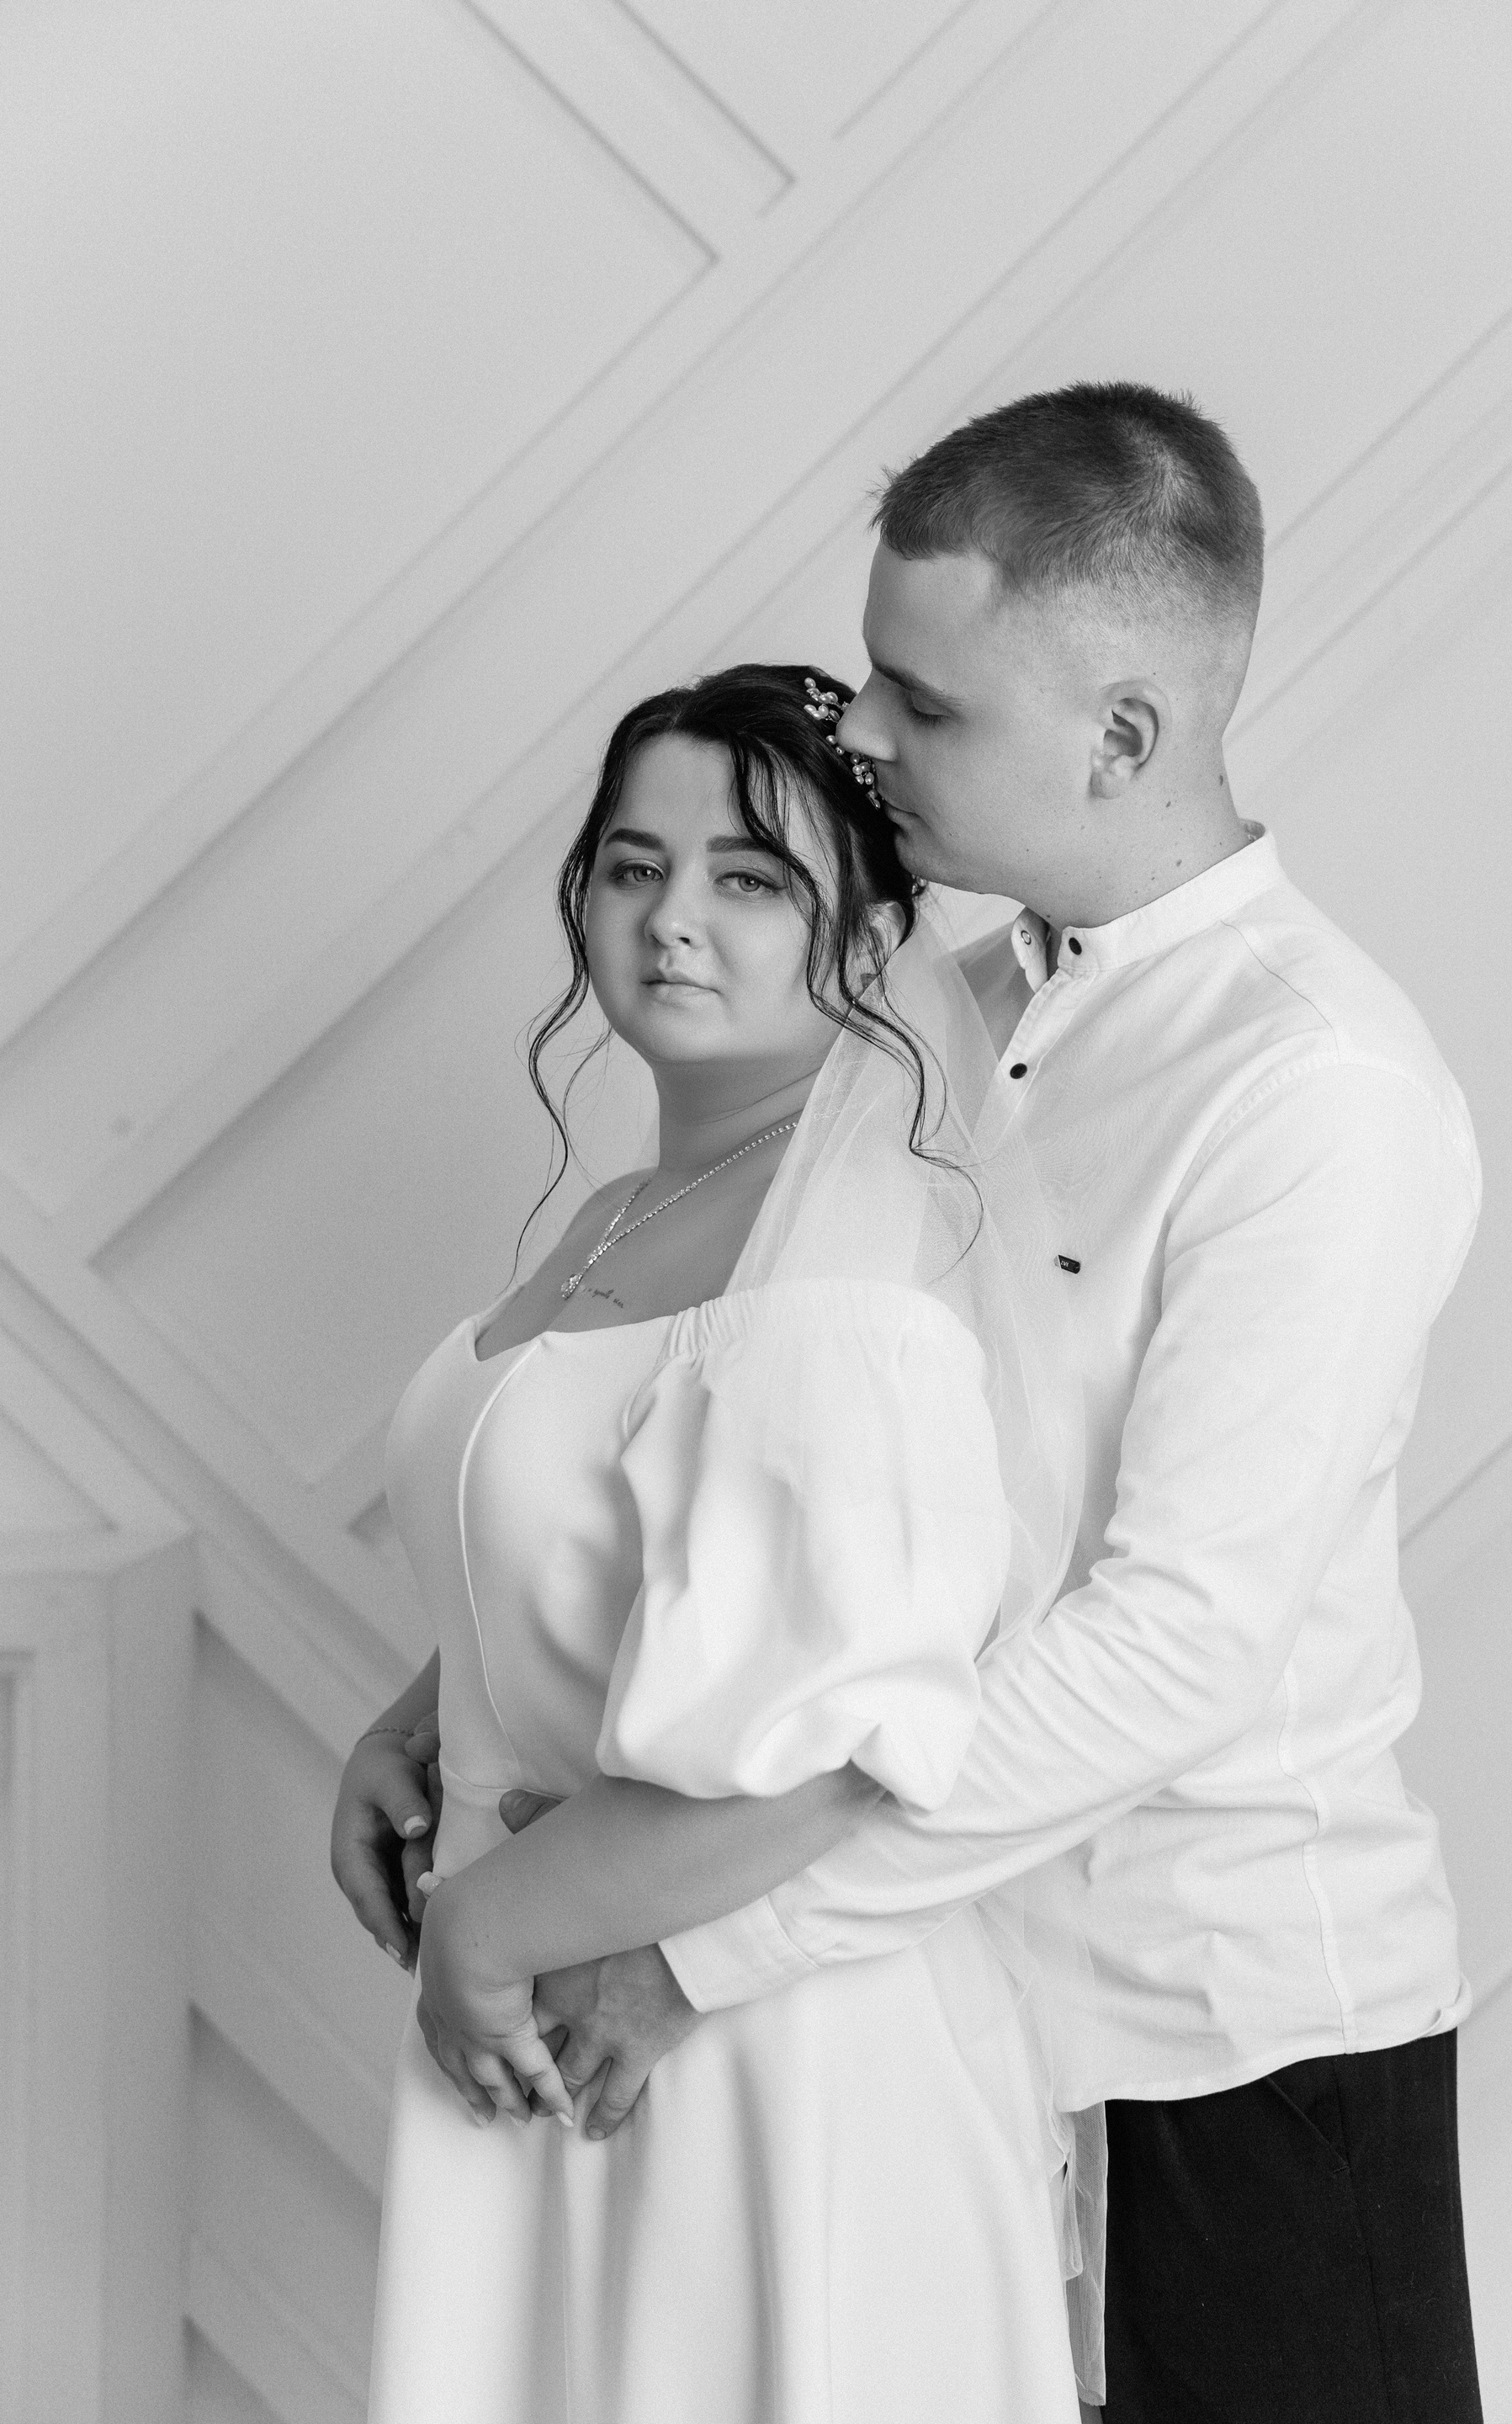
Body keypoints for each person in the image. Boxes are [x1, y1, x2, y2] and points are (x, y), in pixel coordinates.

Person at [337, 381, 1488, 2421]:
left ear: (1123, 734)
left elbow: (1175, 1640)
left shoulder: (1317, 1088)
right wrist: (450, 1703)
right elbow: (748, 1446)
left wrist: (696, 1945)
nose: (859, 732)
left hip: (1218, 2040)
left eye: (922, 701)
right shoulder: (936, 1015)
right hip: (928, 2011)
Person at [350, 662, 1101, 2424]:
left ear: (869, 932)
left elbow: (859, 1744)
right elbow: (636, 1533)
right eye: (635, 865)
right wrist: (423, 1718)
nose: (673, 918)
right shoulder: (626, 1212)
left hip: (754, 2046)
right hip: (549, 2007)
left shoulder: (853, 1271)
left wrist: (482, 1934)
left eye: (750, 879)